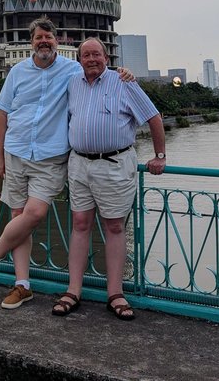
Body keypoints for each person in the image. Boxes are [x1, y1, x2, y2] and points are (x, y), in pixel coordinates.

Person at [0, 18, 134, 309]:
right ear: (31, 41)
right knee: (18, 218)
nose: (44, 42)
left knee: (34, 213)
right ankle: (22, 285)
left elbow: (96, 69)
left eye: (48, 37)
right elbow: (3, 114)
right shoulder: (17, 72)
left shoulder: (72, 70)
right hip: (16, 151)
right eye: (38, 37)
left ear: (56, 41)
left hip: (50, 157)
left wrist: (122, 73)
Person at [51, 37, 166, 320]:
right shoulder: (73, 83)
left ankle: (115, 292)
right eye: (86, 55)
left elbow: (153, 117)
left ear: (106, 57)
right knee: (80, 224)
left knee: (114, 226)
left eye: (96, 54)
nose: (91, 59)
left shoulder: (123, 82)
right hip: (79, 164)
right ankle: (73, 290)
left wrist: (159, 155)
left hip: (114, 164)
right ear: (79, 60)